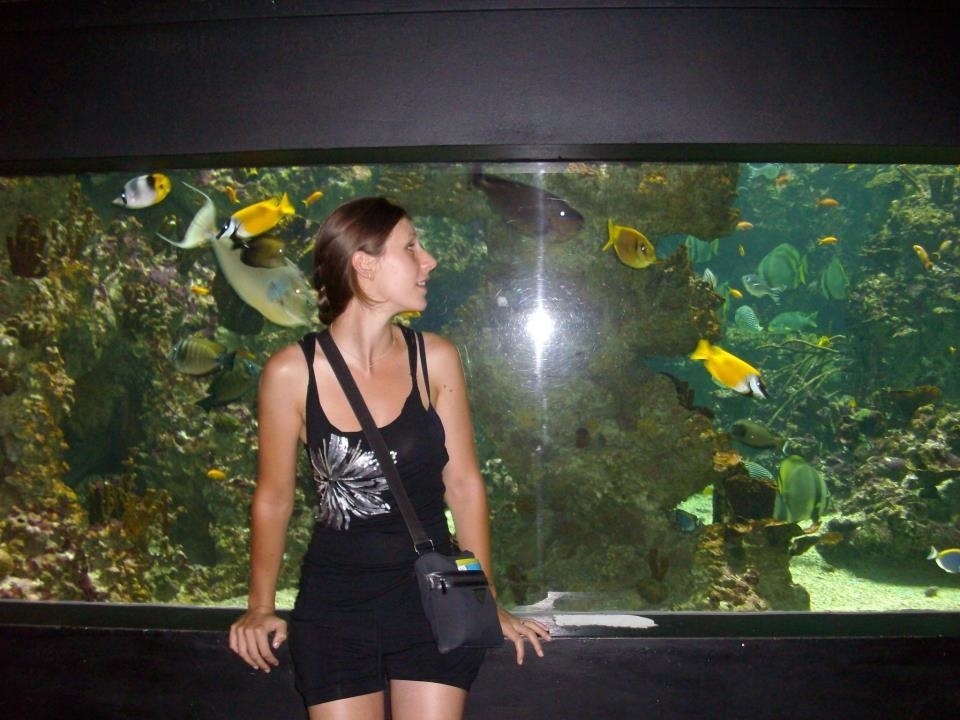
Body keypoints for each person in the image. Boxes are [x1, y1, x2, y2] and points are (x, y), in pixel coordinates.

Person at [229, 197, 550, 719]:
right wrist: (260, 607)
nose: (429, 260)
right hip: (335, 603)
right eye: (411, 247)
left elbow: (464, 485)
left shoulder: (435, 359)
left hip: (432, 599)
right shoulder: (290, 372)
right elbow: (274, 498)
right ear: (365, 263)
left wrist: (485, 598)